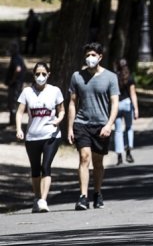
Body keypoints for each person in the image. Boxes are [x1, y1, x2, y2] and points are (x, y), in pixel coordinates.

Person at [68, 42, 120, 211]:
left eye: (93, 55)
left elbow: (114, 103)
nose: (90, 58)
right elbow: (72, 103)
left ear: (100, 57)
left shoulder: (111, 77)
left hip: (101, 125)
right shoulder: (77, 76)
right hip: (82, 123)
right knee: (84, 157)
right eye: (87, 55)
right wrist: (70, 127)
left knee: (98, 162)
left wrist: (109, 124)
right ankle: (83, 196)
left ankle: (97, 193)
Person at [15, 62, 64, 213]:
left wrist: (58, 120)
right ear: (33, 75)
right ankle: (36, 197)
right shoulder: (27, 92)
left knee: (46, 167)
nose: (40, 77)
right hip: (32, 137)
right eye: (37, 74)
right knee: (35, 169)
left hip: (51, 135)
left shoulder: (55, 91)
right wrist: (19, 129)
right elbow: (19, 112)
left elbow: (61, 110)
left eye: (43, 74)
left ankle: (43, 199)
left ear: (49, 74)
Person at [113, 59, 140, 165]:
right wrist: (136, 109)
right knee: (129, 128)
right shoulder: (129, 78)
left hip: (116, 105)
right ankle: (128, 151)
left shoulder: (113, 78)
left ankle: (119, 155)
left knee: (118, 130)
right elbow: (133, 94)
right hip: (127, 104)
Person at [5, 40, 26, 127]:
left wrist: (13, 80)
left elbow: (18, 69)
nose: (9, 49)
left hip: (15, 85)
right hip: (18, 84)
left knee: (13, 102)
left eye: (11, 47)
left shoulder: (16, 58)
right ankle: (12, 121)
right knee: (14, 102)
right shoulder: (18, 57)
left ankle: (13, 122)